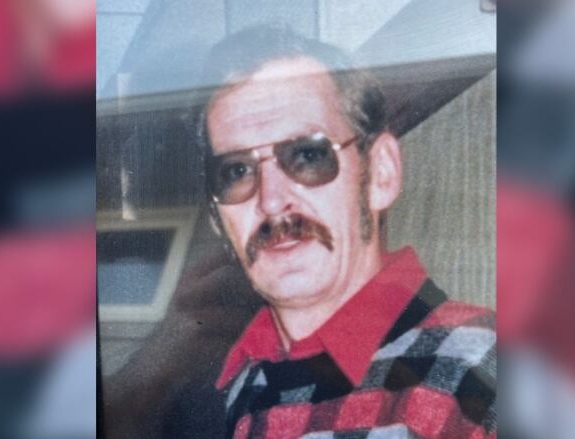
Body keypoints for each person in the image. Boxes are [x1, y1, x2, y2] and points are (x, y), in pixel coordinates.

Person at [197, 26, 496, 438]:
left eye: (306, 155)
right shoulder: (241, 388)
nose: (270, 201)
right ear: (217, 217)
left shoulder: (486, 374)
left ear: (380, 174)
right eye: (237, 170)